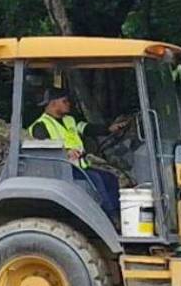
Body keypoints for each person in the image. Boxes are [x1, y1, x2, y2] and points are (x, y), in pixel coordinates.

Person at [28, 89, 125, 219]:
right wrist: (66, 152)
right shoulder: (40, 126)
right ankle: (108, 216)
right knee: (95, 179)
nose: (69, 104)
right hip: (60, 169)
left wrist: (109, 129)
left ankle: (119, 213)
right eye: (64, 101)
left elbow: (87, 128)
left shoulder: (70, 120)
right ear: (53, 104)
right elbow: (44, 149)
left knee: (110, 178)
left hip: (78, 166)